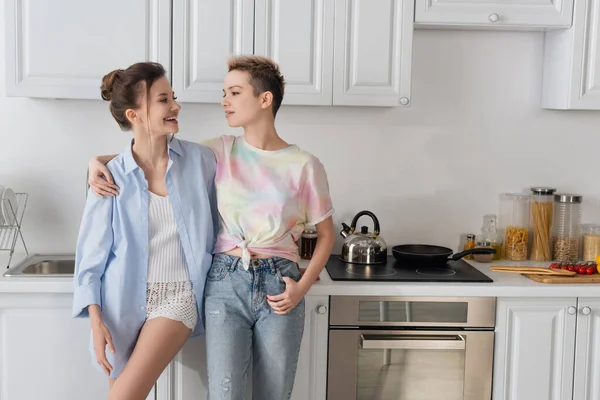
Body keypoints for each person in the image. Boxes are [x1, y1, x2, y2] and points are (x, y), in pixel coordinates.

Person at [88, 55, 335, 399]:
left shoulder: (304, 164)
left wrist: (301, 288)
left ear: (265, 99)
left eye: (234, 92)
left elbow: (326, 235)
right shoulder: (219, 151)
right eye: (225, 92)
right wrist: (97, 162)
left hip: (279, 281)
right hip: (224, 279)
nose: (224, 101)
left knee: (275, 393)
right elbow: (150, 153)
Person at [73, 61, 218, 400]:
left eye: (173, 97)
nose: (176, 106)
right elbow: (90, 259)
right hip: (120, 304)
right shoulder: (109, 176)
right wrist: (96, 321)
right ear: (134, 114)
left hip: (179, 297)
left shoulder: (203, 160)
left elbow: (254, 162)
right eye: (163, 100)